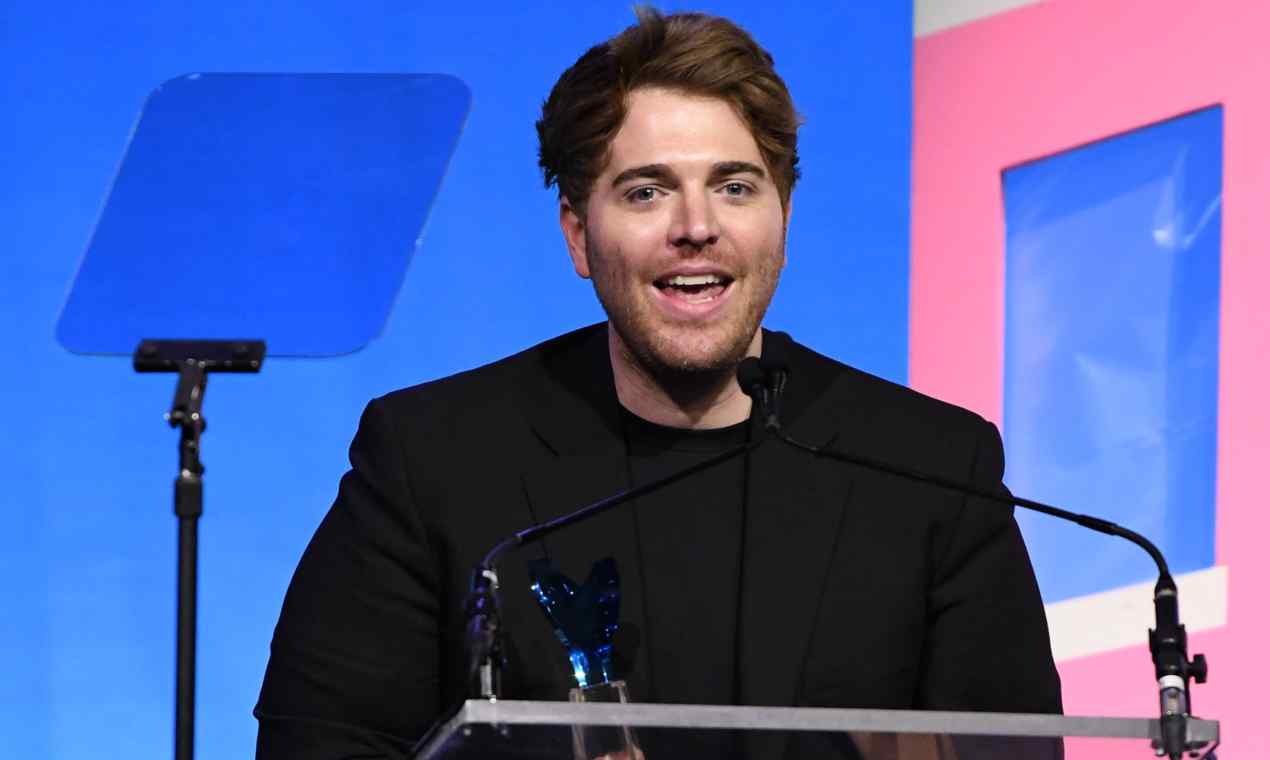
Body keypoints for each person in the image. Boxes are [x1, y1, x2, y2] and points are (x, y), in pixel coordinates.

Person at [254, 9, 1061, 759]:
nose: (696, 227)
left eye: (735, 186)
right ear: (579, 234)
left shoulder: (931, 470)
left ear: (784, 217)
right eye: (646, 191)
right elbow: (322, 746)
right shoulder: (435, 462)